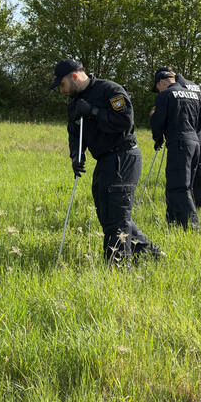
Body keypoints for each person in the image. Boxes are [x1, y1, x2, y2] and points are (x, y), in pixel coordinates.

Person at [51, 58, 163, 262]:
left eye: (62, 85)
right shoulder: (74, 103)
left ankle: (118, 267)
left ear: (74, 76)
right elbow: (74, 132)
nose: (61, 91)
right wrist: (76, 156)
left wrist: (94, 111)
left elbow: (124, 122)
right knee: (106, 213)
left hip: (124, 156)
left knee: (116, 216)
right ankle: (152, 255)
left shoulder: (111, 91)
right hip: (104, 160)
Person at [150, 69, 201, 230]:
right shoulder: (194, 95)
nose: (158, 91)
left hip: (179, 143)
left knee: (178, 187)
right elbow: (200, 123)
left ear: (161, 82)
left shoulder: (165, 95)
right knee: (181, 186)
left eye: (157, 87)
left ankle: (193, 228)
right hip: (195, 143)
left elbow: (158, 121)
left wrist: (157, 137)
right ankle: (173, 223)